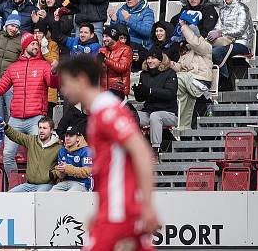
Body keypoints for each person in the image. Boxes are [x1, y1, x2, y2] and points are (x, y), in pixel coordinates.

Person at [58, 54, 160, 251]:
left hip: (120, 211)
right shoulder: (99, 111)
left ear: (81, 80)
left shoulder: (107, 111)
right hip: (116, 208)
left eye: (66, 83)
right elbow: (111, 165)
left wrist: (147, 205)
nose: (63, 90)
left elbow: (141, 152)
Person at [0, 31, 59, 174]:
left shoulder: (44, 65)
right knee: (7, 155)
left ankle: (36, 186)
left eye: (37, 43)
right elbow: (0, 89)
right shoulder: (13, 67)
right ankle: (14, 186)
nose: (36, 46)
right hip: (15, 120)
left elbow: (53, 84)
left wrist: (54, 73)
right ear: (24, 47)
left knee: (38, 155)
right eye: (33, 43)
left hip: (36, 119)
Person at [134, 47, 178, 156]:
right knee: (130, 115)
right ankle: (135, 147)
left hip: (168, 113)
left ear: (160, 60)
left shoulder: (170, 73)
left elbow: (169, 93)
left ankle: (155, 151)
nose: (149, 60)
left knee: (155, 116)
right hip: (149, 112)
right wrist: (138, 92)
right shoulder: (144, 74)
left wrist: (150, 91)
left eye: (153, 58)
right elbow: (140, 99)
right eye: (148, 58)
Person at [172, 21, 214, 131]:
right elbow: (180, 67)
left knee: (177, 78)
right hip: (187, 80)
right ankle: (182, 125)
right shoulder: (185, 50)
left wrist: (184, 26)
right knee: (173, 80)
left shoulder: (205, 46)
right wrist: (171, 64)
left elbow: (195, 43)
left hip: (201, 80)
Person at [4, 117, 62, 192]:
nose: (41, 130)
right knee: (9, 195)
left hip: (46, 185)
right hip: (28, 185)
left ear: (51, 130)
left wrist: (51, 175)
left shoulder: (59, 147)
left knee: (38, 197)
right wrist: (5, 127)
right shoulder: (32, 140)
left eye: (44, 128)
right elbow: (16, 136)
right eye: (40, 127)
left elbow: (62, 166)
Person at [210, 0, 254, 83]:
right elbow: (218, 26)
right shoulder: (222, 10)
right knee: (205, 48)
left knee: (216, 52)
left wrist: (221, 33)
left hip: (242, 43)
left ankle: (225, 79)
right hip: (226, 41)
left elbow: (240, 30)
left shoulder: (243, 8)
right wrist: (212, 33)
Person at [51, 124, 94, 191]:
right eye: (66, 136)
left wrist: (68, 169)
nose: (67, 138)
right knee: (53, 192)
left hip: (83, 183)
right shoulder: (62, 151)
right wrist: (61, 171)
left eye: (71, 136)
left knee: (70, 195)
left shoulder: (86, 151)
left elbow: (87, 172)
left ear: (78, 138)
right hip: (66, 182)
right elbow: (60, 175)